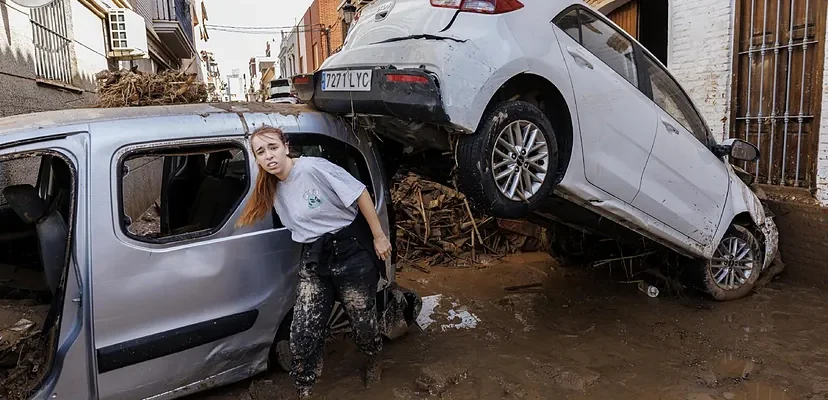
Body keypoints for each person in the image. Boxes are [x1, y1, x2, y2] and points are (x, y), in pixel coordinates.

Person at [236, 125, 392, 399]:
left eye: (273, 147)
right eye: (261, 152)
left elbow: (359, 193)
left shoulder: (311, 168)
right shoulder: (269, 187)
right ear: (256, 159)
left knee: (361, 320)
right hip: (315, 256)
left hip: (349, 250)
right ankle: (304, 388)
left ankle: (372, 358)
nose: (269, 156)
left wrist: (379, 237)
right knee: (303, 328)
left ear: (285, 146)